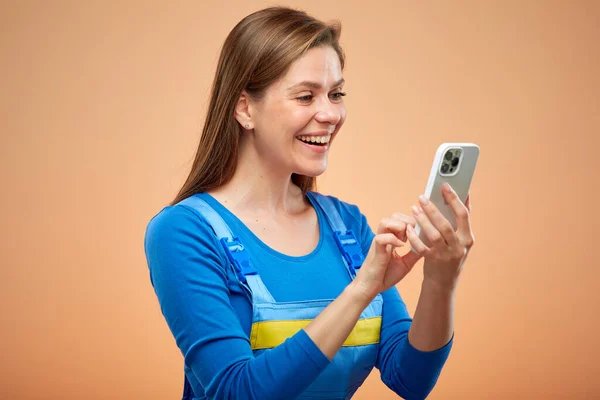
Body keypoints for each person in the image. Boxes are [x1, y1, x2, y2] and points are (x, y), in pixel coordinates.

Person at [144, 6, 475, 400]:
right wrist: (359, 292)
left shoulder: (347, 227)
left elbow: (410, 378)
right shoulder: (184, 233)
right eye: (306, 96)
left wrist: (441, 279)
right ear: (245, 108)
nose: (331, 114)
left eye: (336, 94)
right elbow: (236, 392)